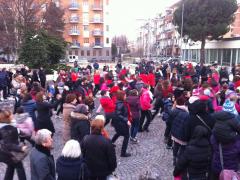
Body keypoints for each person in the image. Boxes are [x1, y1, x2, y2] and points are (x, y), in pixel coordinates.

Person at [0, 109, 27, 180]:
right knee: (20, 168)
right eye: (11, 115)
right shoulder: (9, 129)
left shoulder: (4, 127)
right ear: (7, 118)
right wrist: (20, 148)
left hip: (4, 153)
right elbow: (8, 144)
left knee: (10, 167)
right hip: (10, 154)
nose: (13, 115)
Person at [169, 96, 188, 166]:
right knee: (182, 147)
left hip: (174, 132)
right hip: (182, 133)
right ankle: (178, 160)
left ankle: (174, 158)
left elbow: (169, 121)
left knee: (176, 145)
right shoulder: (186, 112)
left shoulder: (174, 110)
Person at [112, 90, 132, 157]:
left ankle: (111, 142)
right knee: (126, 136)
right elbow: (118, 114)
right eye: (125, 95)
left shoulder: (120, 102)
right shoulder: (120, 104)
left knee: (118, 133)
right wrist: (126, 120)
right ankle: (123, 153)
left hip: (118, 123)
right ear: (122, 96)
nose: (126, 96)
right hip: (121, 123)